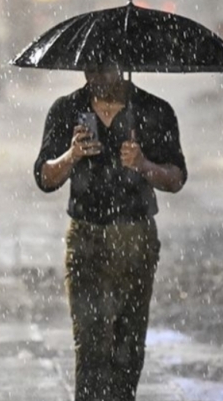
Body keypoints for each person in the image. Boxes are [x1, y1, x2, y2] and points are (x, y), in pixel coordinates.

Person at [33, 59, 187, 401]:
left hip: (135, 236)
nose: (95, 78)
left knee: (128, 344)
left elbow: (176, 178)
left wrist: (143, 165)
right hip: (86, 237)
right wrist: (71, 156)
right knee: (89, 345)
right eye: (88, 70)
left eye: (103, 69)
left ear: (122, 65)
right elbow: (45, 177)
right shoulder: (67, 110)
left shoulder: (153, 110)